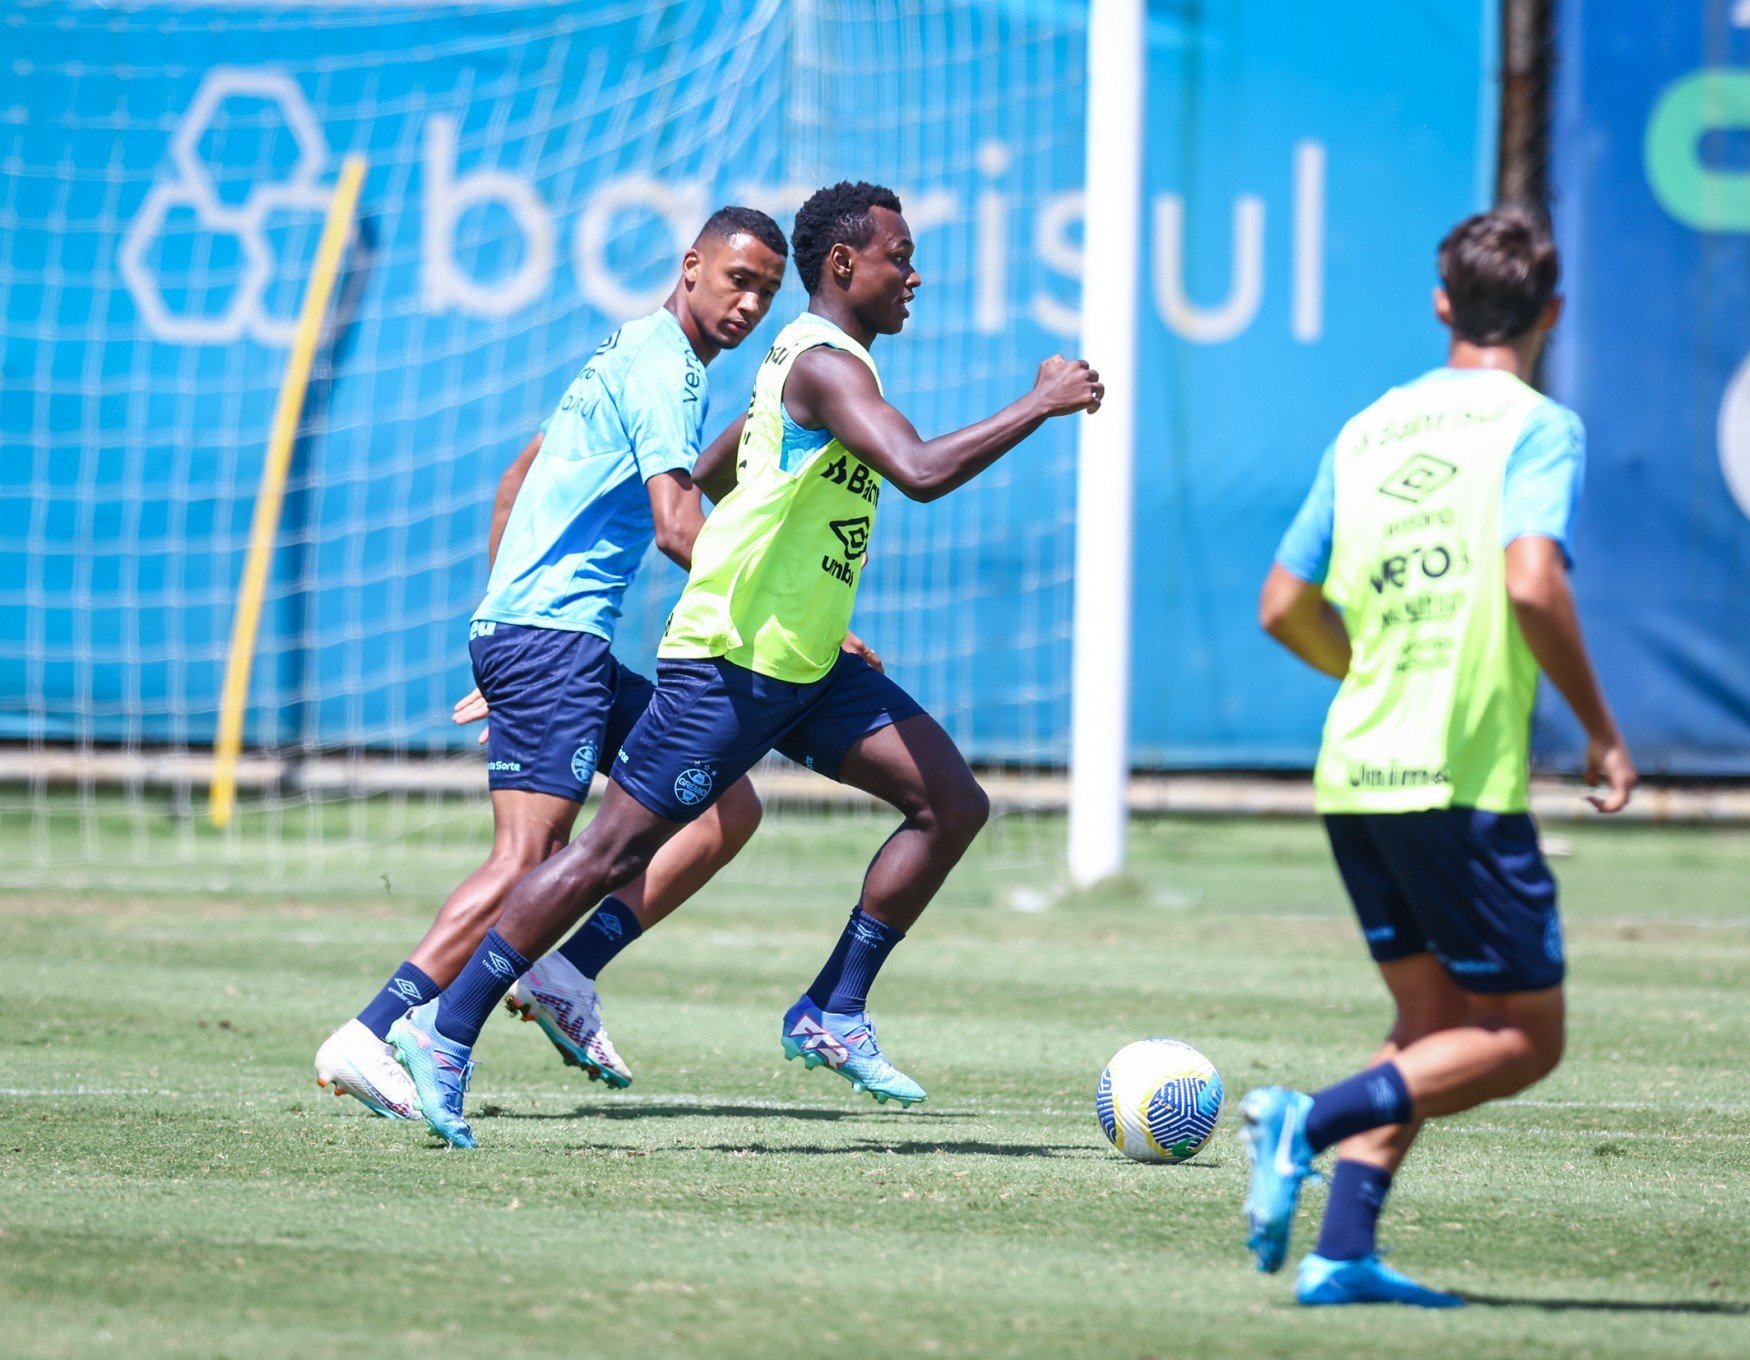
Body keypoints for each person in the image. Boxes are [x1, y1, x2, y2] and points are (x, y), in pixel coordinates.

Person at [388, 179, 1103, 1149]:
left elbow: (725, 457)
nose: (914, 273)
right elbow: (923, 472)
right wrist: (1043, 401)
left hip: (805, 663)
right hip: (729, 662)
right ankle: (444, 1028)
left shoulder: (804, 366)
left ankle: (831, 1010)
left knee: (951, 805)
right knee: (606, 854)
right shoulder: (821, 363)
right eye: (899, 255)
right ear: (844, 266)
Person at [312, 206, 804, 1118]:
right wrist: (780, 611)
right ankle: (372, 1034)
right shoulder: (665, 368)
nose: (751, 305)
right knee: (527, 857)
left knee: (726, 803)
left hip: (544, 639)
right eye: (740, 281)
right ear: (691, 265)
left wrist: (499, 633)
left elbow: (519, 477)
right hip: (554, 643)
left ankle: (566, 972)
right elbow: (677, 527)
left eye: (769, 294)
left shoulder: (629, 350)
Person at [1240, 205, 1638, 1307]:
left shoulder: (1369, 427)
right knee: (1523, 1038)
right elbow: (1530, 579)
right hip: (1451, 776)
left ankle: (1343, 1252)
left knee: (1430, 1027)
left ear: (1440, 304)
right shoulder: (1538, 425)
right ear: (1551, 313)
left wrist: (1366, 668)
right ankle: (1302, 1121)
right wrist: (1604, 731)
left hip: (1354, 767)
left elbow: (1283, 604)